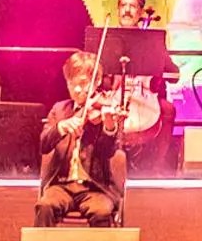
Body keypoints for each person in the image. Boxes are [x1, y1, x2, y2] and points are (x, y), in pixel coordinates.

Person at [34, 51, 130, 228]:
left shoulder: (104, 109)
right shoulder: (60, 110)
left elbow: (108, 152)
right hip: (62, 185)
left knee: (101, 211)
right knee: (45, 206)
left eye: (83, 83)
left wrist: (108, 126)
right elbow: (43, 145)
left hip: (95, 187)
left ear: (97, 82)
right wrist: (61, 127)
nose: (77, 89)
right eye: (72, 83)